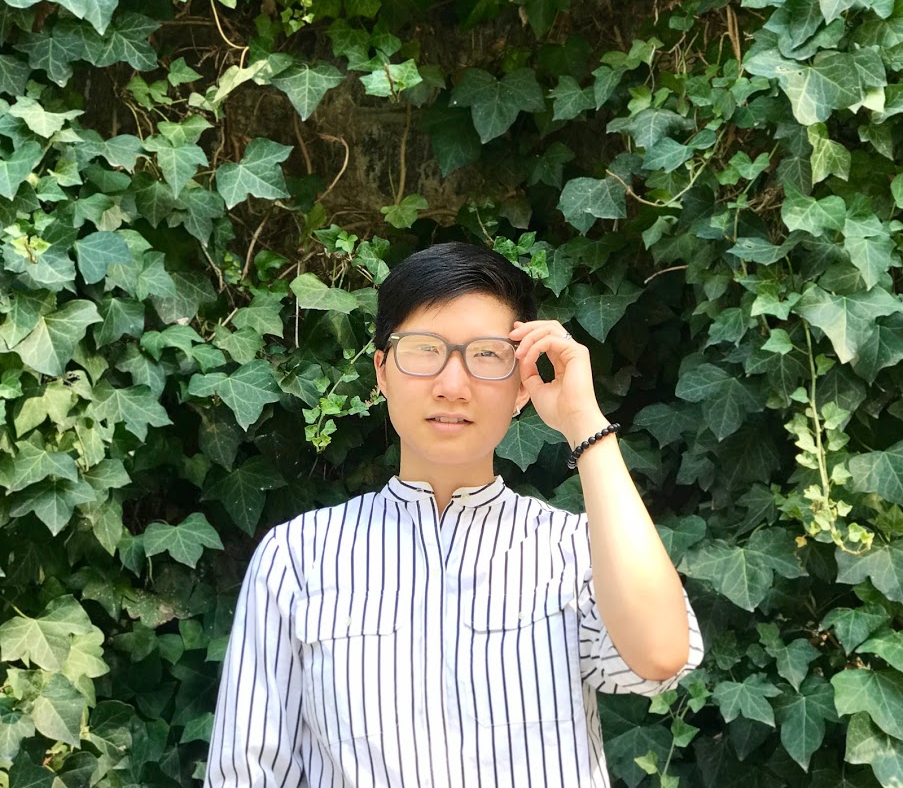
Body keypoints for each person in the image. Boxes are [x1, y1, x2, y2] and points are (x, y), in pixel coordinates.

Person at [205, 241, 703, 788]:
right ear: (383, 372)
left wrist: (584, 421)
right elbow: (247, 772)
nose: (451, 386)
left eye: (486, 355)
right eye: (424, 350)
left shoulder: (575, 548)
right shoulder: (298, 556)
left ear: (521, 386)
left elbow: (659, 656)